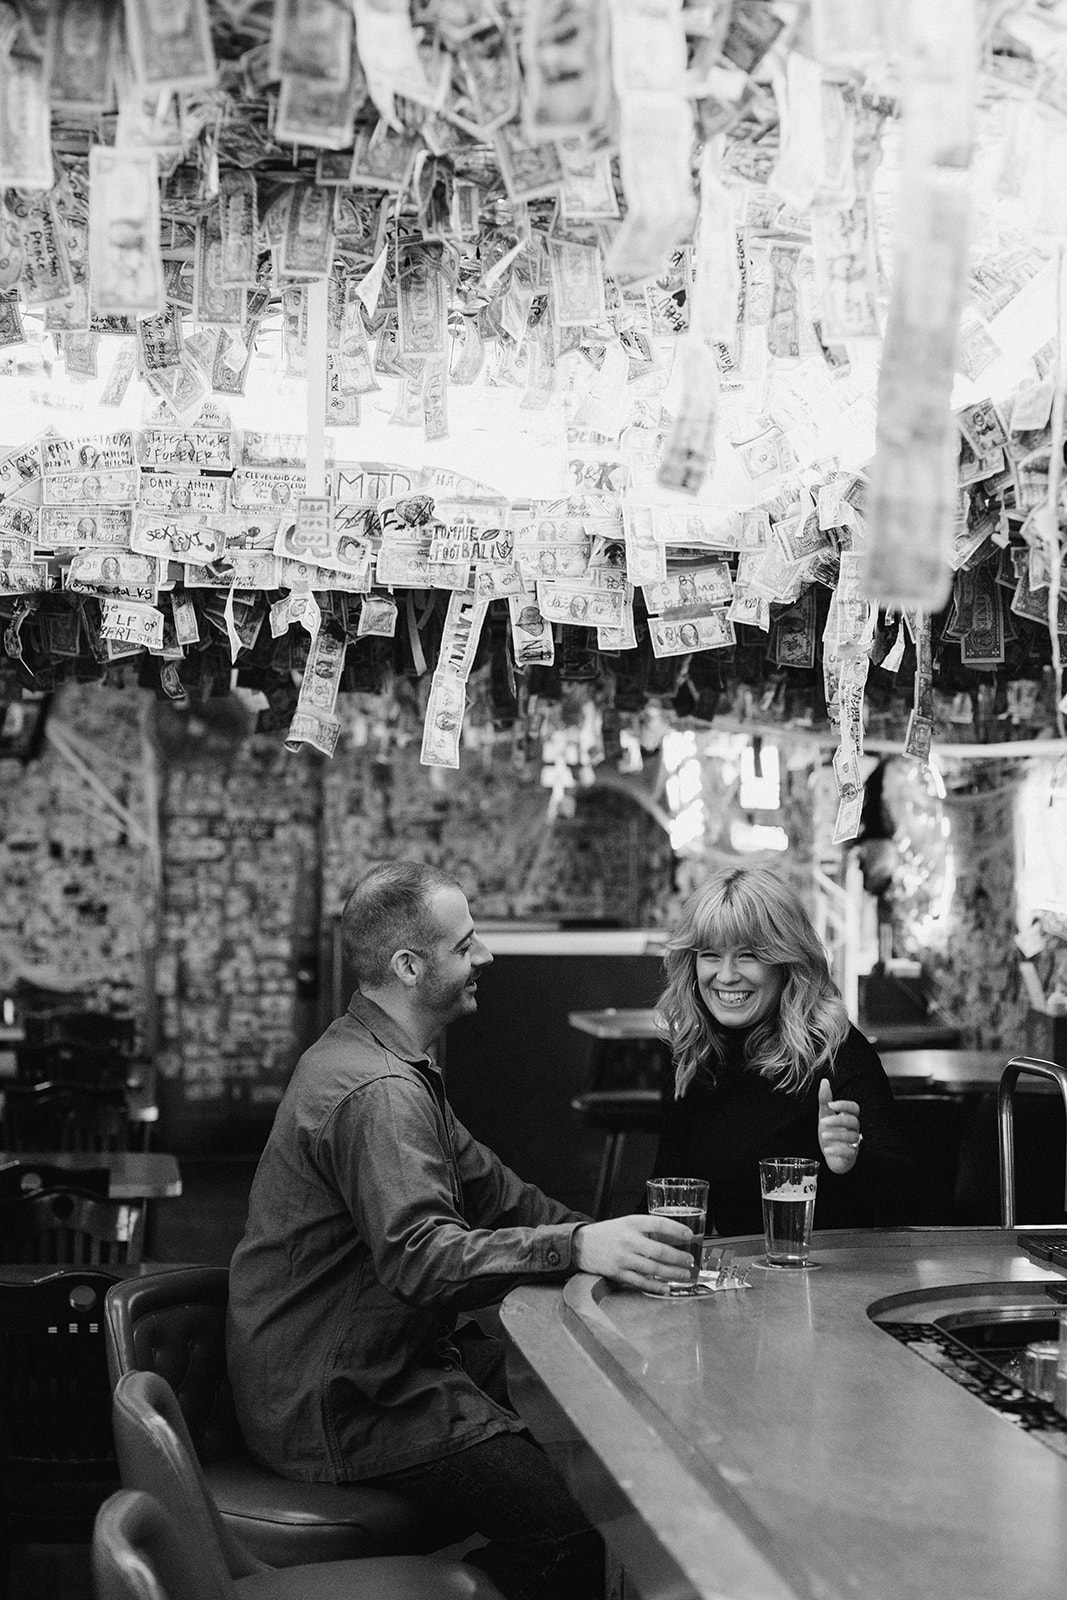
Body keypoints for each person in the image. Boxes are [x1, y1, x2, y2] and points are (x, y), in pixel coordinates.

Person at [227, 860, 693, 1600]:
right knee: (566, 1531)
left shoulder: (388, 1060)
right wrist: (577, 1248)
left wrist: (617, 1244)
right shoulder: (377, 1091)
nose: (486, 956)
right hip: (345, 1399)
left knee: (590, 1433)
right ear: (410, 967)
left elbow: (500, 1194)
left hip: (374, 1365)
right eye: (465, 944)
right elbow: (420, 1261)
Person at [649, 864, 916, 1237]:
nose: (726, 976)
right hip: (737, 1279)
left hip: (832, 1277)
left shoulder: (834, 1048)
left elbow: (909, 1198)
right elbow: (667, 1195)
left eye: (748, 955)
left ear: (786, 962)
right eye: (710, 954)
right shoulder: (691, 1053)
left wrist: (851, 1161)